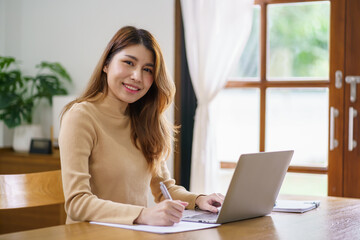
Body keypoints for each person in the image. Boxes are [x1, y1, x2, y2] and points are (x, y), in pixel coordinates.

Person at [59, 26, 224, 226]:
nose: (137, 76)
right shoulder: (80, 117)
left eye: (147, 69)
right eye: (129, 62)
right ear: (106, 64)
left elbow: (165, 190)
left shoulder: (145, 121)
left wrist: (198, 200)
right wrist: (143, 215)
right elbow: (77, 203)